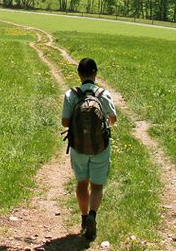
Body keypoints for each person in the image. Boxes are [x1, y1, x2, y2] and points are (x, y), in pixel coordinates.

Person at [61, 57, 118, 241]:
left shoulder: (71, 94)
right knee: (97, 186)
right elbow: (113, 118)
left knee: (81, 183)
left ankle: (84, 219)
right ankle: (93, 214)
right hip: (100, 148)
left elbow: (65, 121)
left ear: (79, 74)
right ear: (95, 73)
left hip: (78, 147)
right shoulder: (103, 94)